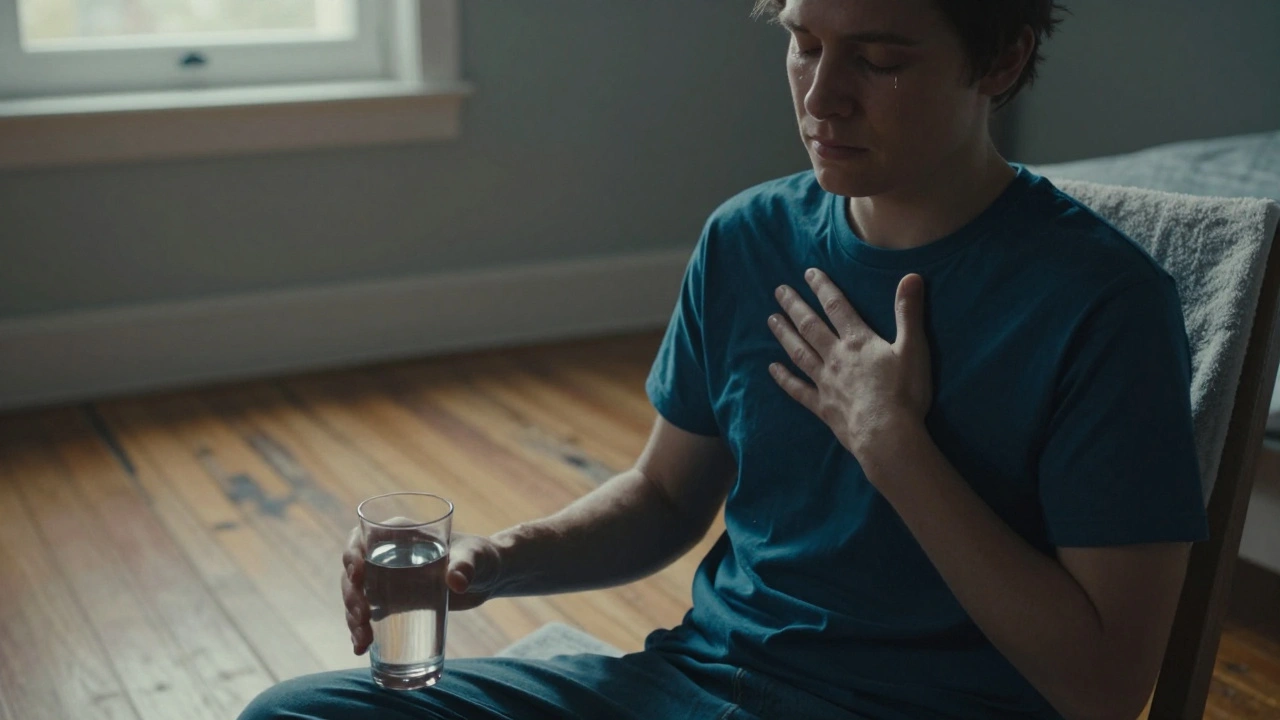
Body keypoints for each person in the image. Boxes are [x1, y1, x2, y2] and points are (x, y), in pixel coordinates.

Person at [239, 0, 1209, 717]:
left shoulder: (1101, 304)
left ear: (1000, 60)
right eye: (801, 42)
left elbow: (1103, 685)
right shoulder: (748, 237)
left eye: (876, 59)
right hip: (691, 687)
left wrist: (894, 449)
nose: (821, 96)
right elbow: (664, 498)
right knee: (292, 715)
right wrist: (488, 561)